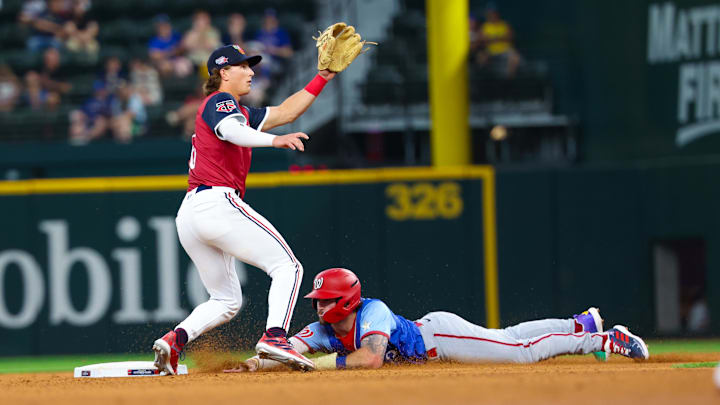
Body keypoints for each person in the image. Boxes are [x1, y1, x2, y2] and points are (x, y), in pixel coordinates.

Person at [151, 44, 338, 375]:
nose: (251, 72)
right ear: (224, 73)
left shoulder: (240, 111)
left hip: (192, 212)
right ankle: (275, 337)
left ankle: (174, 341)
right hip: (216, 202)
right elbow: (233, 132)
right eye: (243, 67)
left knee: (226, 300)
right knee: (288, 267)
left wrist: (322, 76)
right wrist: (275, 140)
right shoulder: (219, 103)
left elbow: (286, 112)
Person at [227, 268, 650, 372]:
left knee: (518, 353)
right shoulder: (321, 329)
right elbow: (284, 351)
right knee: (508, 337)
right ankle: (582, 324)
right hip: (432, 338)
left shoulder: (370, 311)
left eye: (327, 300)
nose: (319, 308)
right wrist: (247, 365)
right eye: (318, 301)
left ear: (348, 300)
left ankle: (603, 339)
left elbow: (372, 359)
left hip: (439, 338)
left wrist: (316, 364)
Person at [474, 3, 521, 78]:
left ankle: (510, 79)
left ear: (497, 14)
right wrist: (500, 37)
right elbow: (482, 39)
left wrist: (492, 38)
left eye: (494, 14)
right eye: (490, 14)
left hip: (505, 50)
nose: (492, 16)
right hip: (490, 50)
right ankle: (484, 78)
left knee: (516, 58)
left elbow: (510, 37)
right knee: (481, 57)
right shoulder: (485, 26)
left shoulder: (504, 24)